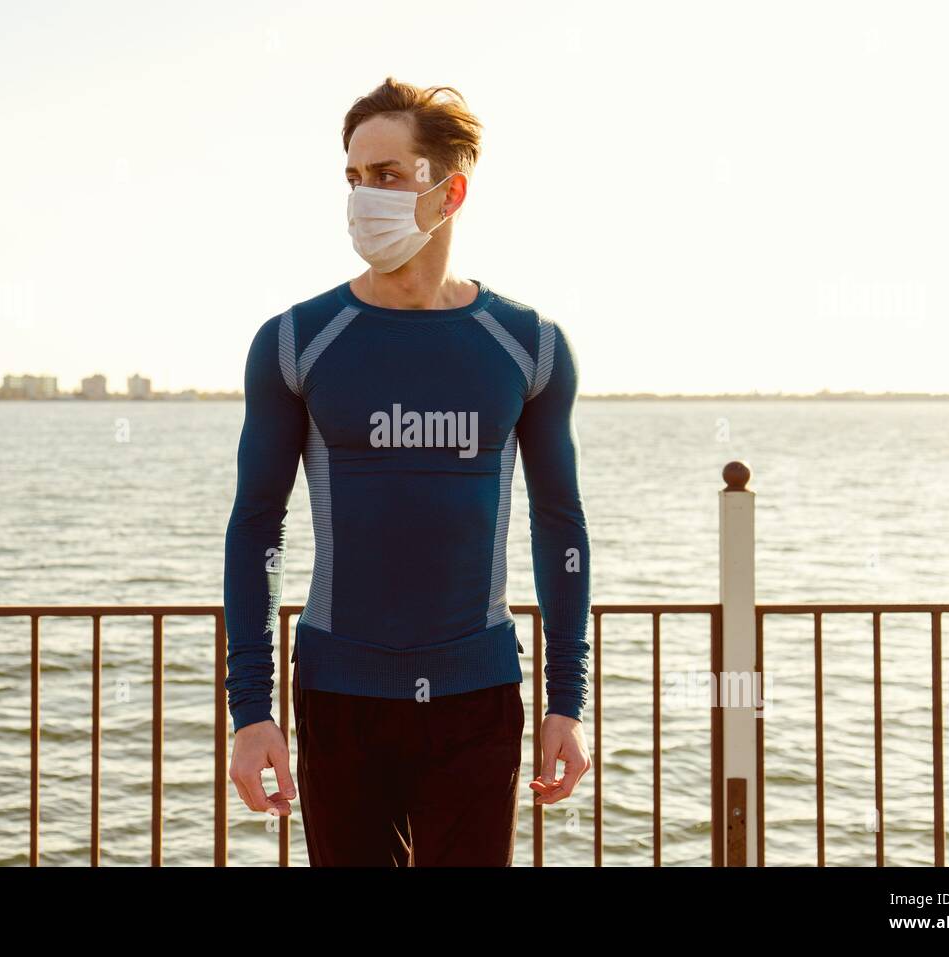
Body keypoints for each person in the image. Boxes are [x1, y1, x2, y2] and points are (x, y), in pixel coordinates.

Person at [223, 76, 592, 866]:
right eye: (353, 178)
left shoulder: (529, 345)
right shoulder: (296, 341)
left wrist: (568, 699)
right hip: (340, 695)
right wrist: (251, 709)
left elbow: (559, 524)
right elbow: (257, 524)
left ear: (448, 191)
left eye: (387, 175)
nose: (364, 197)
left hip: (477, 698)